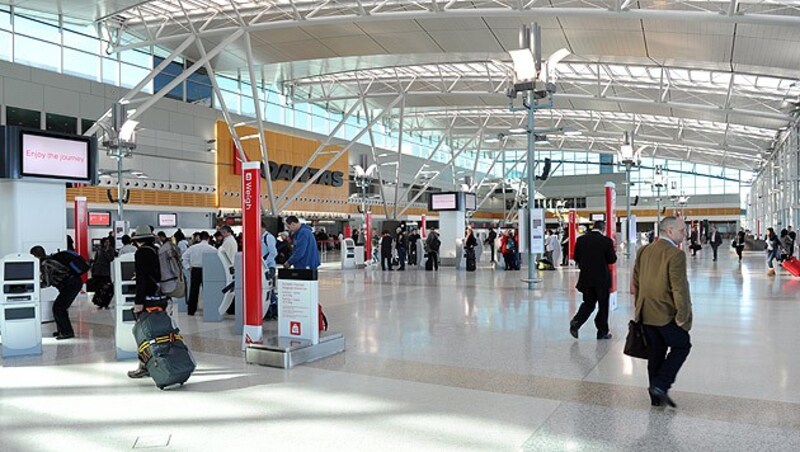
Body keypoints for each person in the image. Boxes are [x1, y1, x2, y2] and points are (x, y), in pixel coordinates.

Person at [632, 217, 692, 408]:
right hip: (666, 314)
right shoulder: (675, 254)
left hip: (646, 311)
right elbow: (679, 288)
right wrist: (682, 316)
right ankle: (661, 384)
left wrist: (639, 308)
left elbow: (636, 282)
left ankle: (656, 398)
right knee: (682, 345)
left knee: (656, 353)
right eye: (682, 231)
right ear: (669, 231)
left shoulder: (644, 250)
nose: (685, 234)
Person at [569, 221, 617, 340]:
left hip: (586, 278)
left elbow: (576, 257)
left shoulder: (581, 240)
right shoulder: (606, 241)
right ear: (603, 228)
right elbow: (612, 259)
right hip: (602, 279)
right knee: (603, 305)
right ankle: (602, 331)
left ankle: (576, 322)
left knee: (588, 303)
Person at [127, 226, 164, 379]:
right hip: (160, 296)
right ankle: (160, 361)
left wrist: (138, 301)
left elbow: (142, 279)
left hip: (148, 298)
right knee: (158, 332)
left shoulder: (142, 252)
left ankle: (144, 366)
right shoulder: (156, 250)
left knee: (143, 333)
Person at [30, 245, 82, 340]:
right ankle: (62, 330)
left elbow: (46, 282)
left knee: (58, 307)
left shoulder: (45, 264)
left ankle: (67, 332)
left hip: (71, 284)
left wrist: (33, 286)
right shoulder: (49, 260)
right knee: (60, 307)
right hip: (72, 283)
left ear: (36, 256)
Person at [181, 231, 216, 316]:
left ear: (199, 238)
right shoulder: (212, 249)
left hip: (195, 270)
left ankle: (191, 310)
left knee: (193, 291)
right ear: (208, 238)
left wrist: (188, 267)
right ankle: (209, 310)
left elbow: (183, 258)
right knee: (208, 291)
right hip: (207, 271)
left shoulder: (193, 248)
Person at [90, 237, 116, 309]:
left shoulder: (110, 250)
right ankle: (100, 303)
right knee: (99, 288)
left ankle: (106, 303)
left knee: (108, 288)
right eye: (106, 242)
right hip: (98, 272)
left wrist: (106, 252)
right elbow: (96, 260)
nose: (107, 243)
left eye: (108, 242)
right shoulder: (99, 250)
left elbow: (111, 259)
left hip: (106, 273)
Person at [261, 218, 279, 320]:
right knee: (265, 290)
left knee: (270, 290)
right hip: (262, 267)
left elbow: (273, 252)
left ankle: (273, 311)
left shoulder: (268, 237)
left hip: (269, 267)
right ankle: (267, 311)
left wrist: (265, 263)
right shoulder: (260, 237)